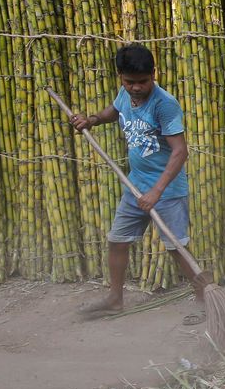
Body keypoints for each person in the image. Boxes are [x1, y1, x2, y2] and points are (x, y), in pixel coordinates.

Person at [70, 43, 206, 324]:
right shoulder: (125, 93)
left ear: (153, 75)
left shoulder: (164, 104)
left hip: (166, 191)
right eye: (130, 82)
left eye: (143, 82)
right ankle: (115, 300)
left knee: (177, 249)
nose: (136, 88)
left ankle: (207, 301)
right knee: (117, 241)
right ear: (120, 76)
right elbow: (115, 111)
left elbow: (180, 151)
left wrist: (157, 191)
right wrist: (92, 120)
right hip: (135, 187)